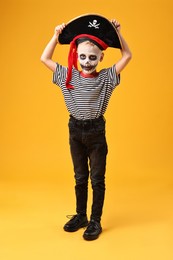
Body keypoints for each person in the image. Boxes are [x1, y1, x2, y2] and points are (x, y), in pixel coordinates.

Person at [41, 17, 132, 240]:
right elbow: (44, 58)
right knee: (80, 176)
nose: (87, 61)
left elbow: (127, 56)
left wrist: (116, 33)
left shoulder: (106, 78)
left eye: (93, 57)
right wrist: (56, 36)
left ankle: (95, 220)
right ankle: (81, 215)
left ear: (101, 57)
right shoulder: (66, 76)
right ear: (75, 55)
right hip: (75, 130)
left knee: (97, 178)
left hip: (96, 132)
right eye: (82, 56)